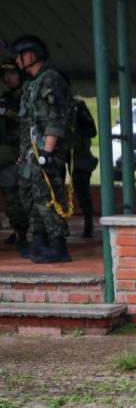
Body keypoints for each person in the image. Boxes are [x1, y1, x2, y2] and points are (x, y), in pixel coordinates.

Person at [12, 35, 74, 263]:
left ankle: (59, 246)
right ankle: (39, 242)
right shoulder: (31, 85)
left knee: (46, 197)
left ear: (29, 55)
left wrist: (47, 154)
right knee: (29, 196)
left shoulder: (51, 80)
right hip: (32, 153)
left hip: (47, 153)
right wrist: (25, 154)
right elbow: (29, 124)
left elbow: (55, 119)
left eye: (19, 56)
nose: (17, 61)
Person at [0, 58, 27, 253]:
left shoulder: (27, 97)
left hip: (15, 155)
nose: (8, 78)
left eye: (12, 74)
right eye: (5, 74)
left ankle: (23, 235)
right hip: (4, 154)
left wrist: (11, 115)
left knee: (14, 198)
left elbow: (29, 125)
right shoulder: (4, 98)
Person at [70, 97, 98, 238]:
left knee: (82, 193)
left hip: (79, 156)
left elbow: (92, 131)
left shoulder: (78, 106)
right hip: (57, 153)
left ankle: (88, 225)